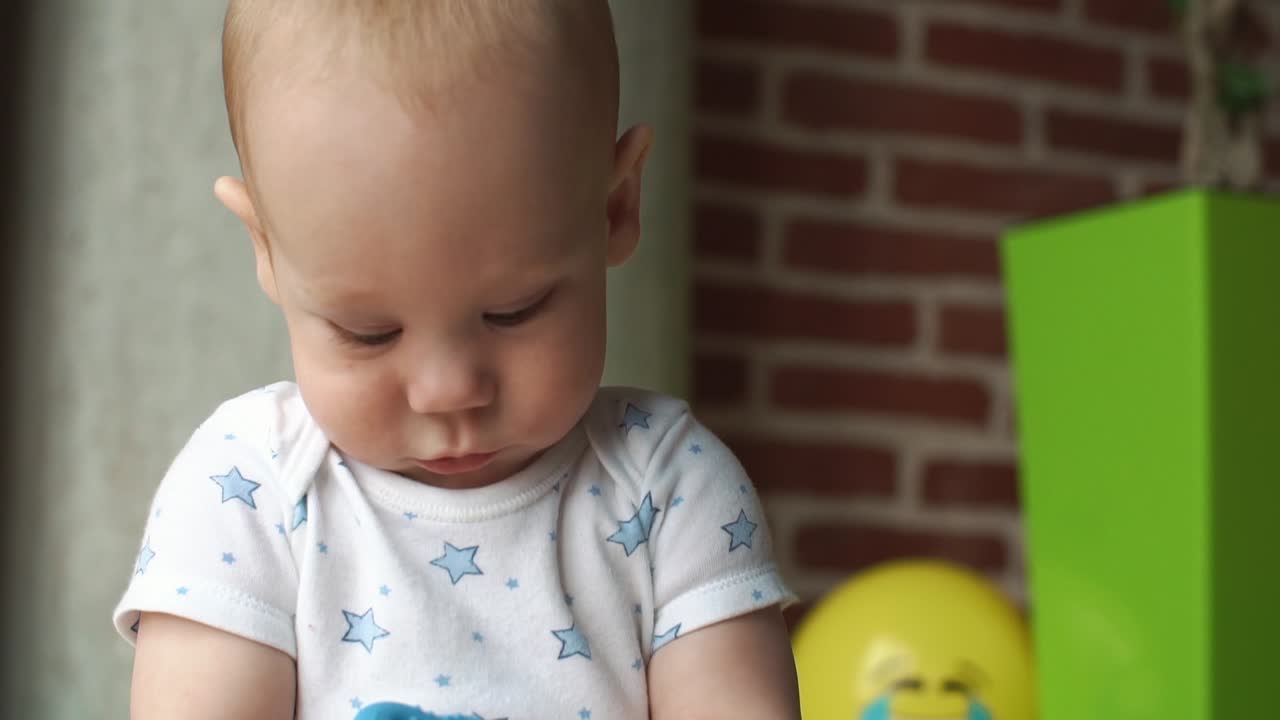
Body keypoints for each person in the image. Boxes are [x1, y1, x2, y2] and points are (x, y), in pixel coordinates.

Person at [114, 2, 801, 718]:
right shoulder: (249, 492)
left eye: (514, 311)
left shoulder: (667, 490)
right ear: (267, 249)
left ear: (616, 209)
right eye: (368, 332)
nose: (448, 391)